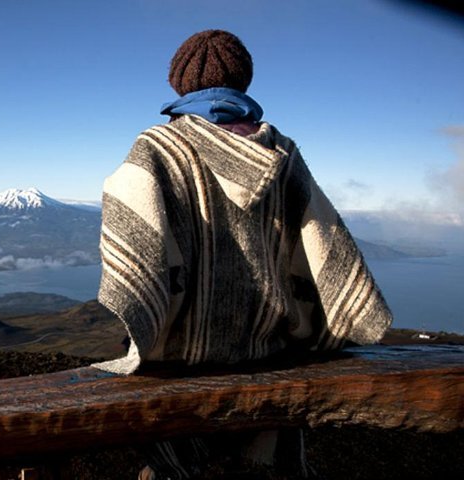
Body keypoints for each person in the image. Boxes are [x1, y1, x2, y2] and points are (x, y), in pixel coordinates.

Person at [94, 30, 393, 479]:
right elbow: (324, 243)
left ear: (178, 83)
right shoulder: (283, 151)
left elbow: (132, 228)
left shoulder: (158, 149)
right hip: (268, 351)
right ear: (244, 81)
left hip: (177, 361)